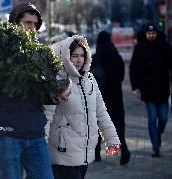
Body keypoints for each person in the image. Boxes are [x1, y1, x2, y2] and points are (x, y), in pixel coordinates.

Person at [0, 1, 69, 179]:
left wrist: (53, 96)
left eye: (35, 24)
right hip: (7, 133)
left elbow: (40, 92)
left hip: (34, 132)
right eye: (27, 23)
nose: (32, 28)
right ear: (16, 23)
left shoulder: (38, 55)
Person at [48, 35, 120, 179]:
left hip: (84, 152)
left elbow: (101, 112)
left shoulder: (90, 79)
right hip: (63, 153)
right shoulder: (57, 80)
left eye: (82, 55)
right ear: (65, 56)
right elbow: (46, 116)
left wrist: (112, 140)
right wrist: (38, 151)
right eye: (74, 56)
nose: (79, 60)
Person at [129, 22, 172, 158]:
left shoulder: (165, 46)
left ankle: (157, 135)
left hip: (163, 89)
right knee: (153, 118)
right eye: (149, 33)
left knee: (164, 118)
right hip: (147, 90)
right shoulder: (140, 48)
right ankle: (155, 147)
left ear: (157, 33)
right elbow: (133, 69)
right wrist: (135, 87)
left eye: (153, 33)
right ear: (145, 34)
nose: (151, 35)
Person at [92, 31, 131, 165]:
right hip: (116, 98)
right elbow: (121, 77)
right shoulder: (117, 57)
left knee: (97, 126)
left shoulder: (95, 58)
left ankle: (96, 153)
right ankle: (124, 150)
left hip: (100, 98)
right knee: (118, 126)